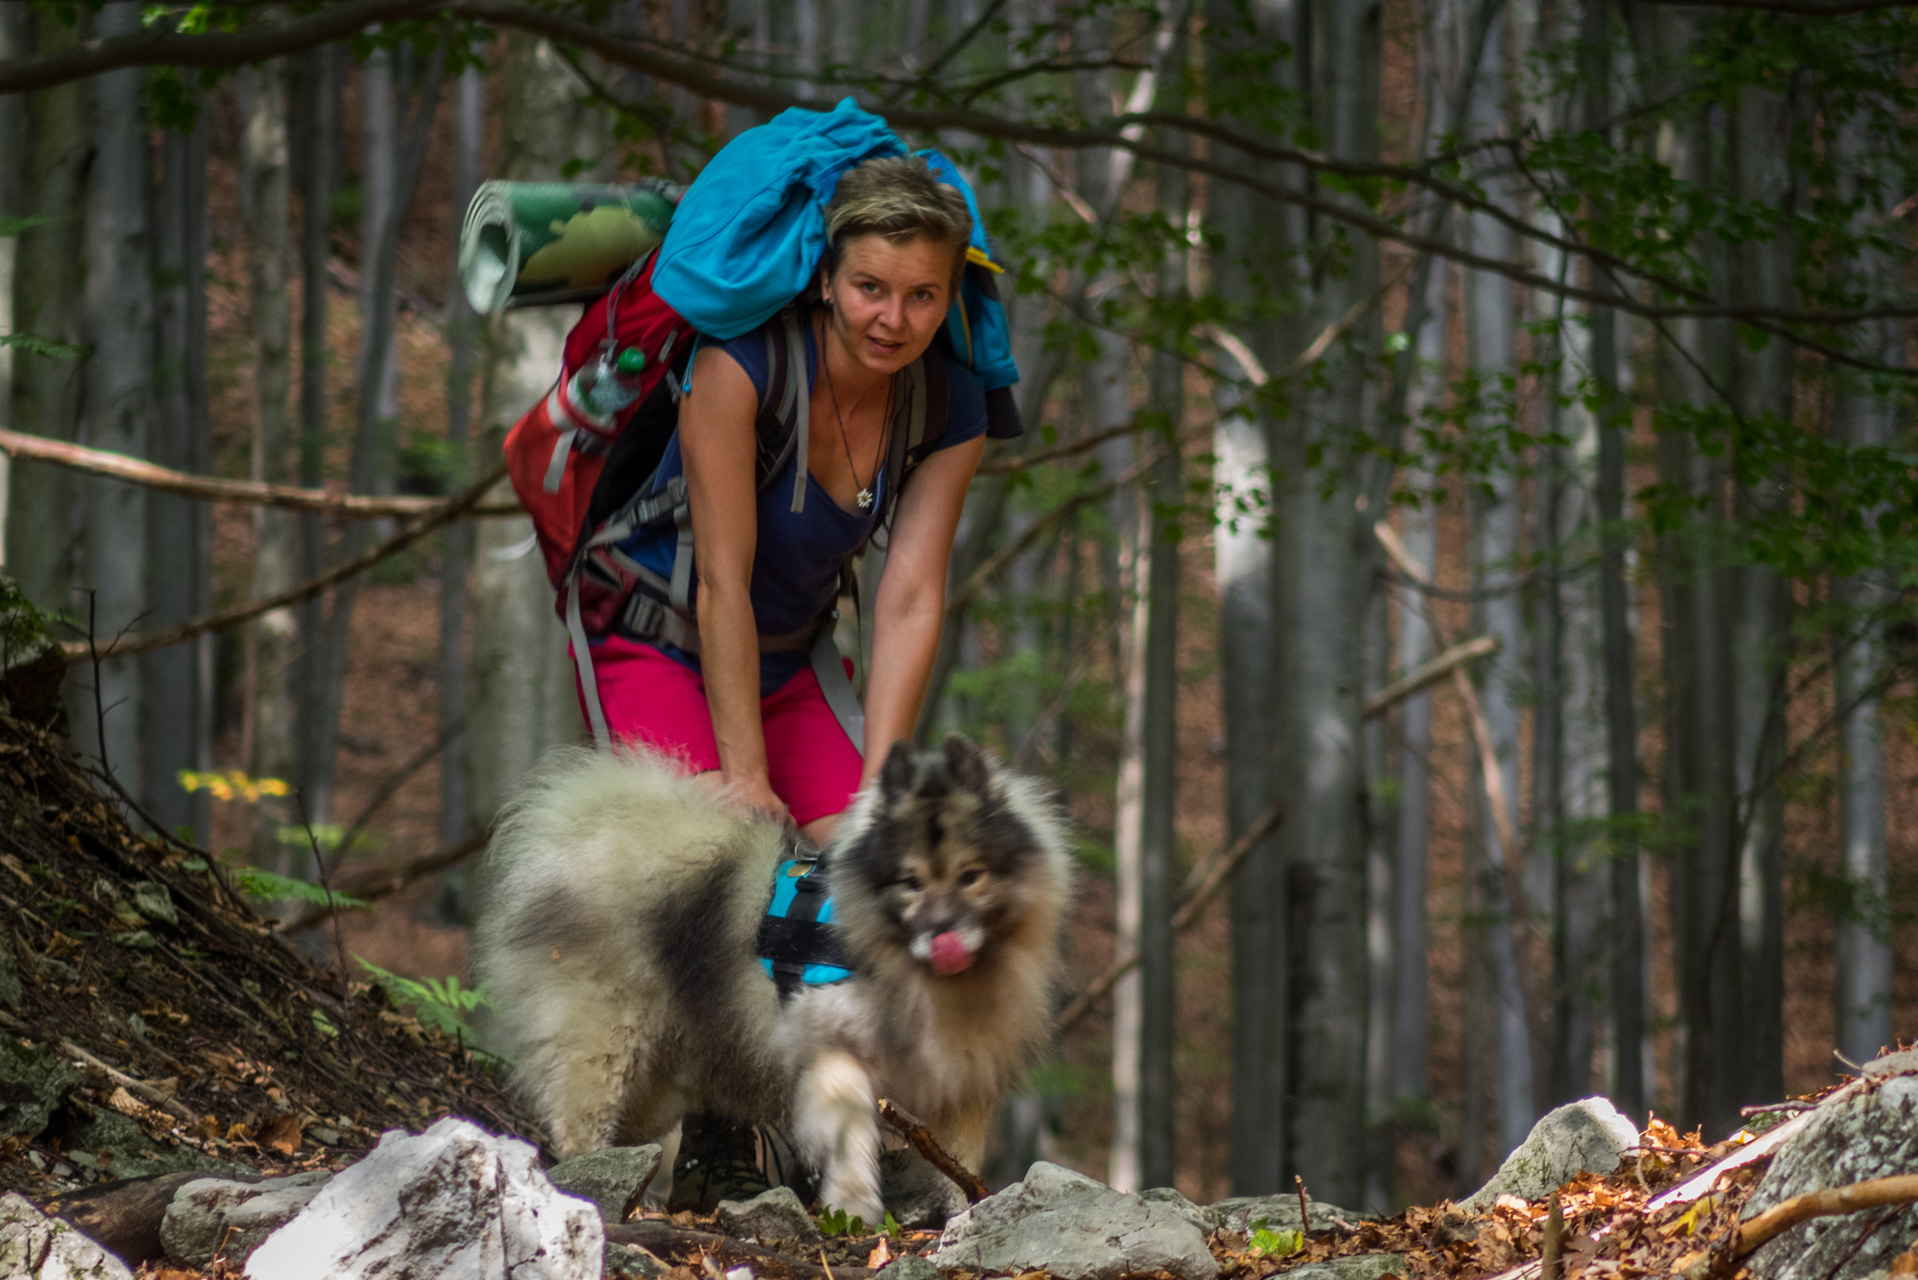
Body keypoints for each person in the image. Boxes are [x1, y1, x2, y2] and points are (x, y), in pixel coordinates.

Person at [574, 155, 990, 846]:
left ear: (950, 299)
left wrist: (881, 790)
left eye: (923, 295)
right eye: (869, 287)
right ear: (826, 280)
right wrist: (744, 777)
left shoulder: (949, 406)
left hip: (788, 667)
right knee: (729, 855)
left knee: (877, 875)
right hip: (653, 638)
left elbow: (911, 597)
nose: (894, 319)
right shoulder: (739, 367)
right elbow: (721, 579)